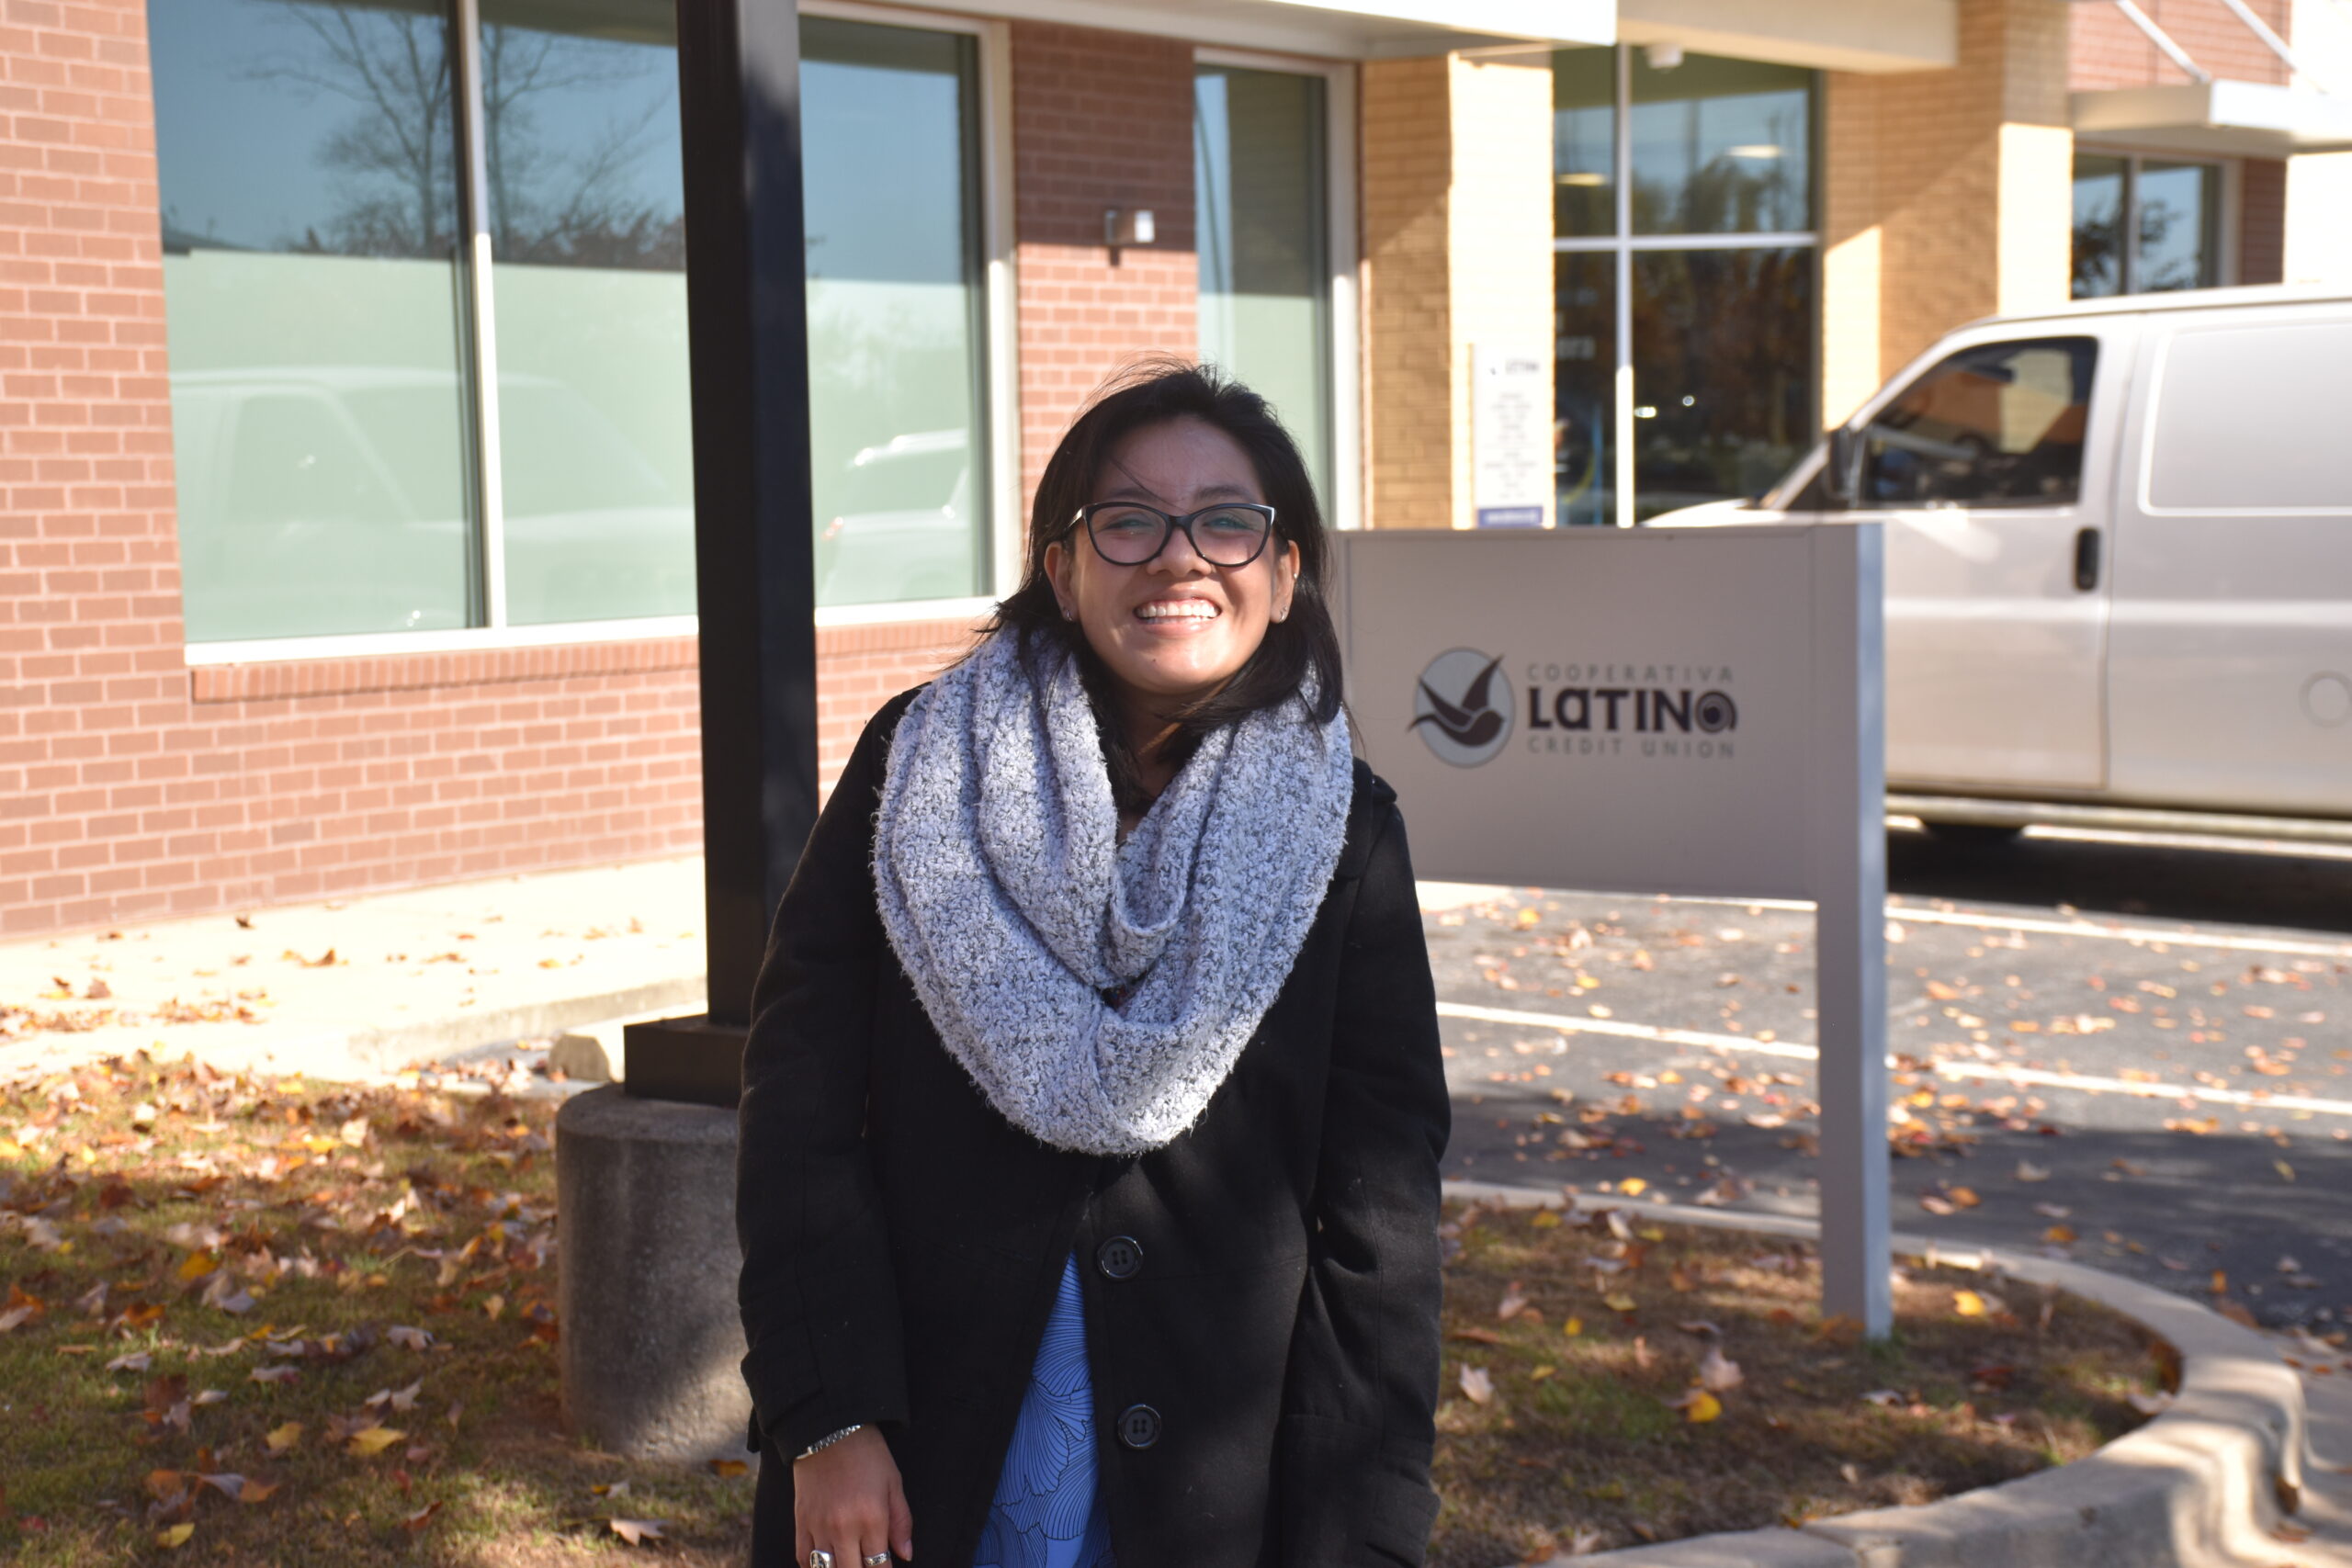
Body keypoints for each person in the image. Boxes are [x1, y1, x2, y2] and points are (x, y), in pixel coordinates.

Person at [735, 362, 1450, 1568]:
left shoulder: (1346, 833)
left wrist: (1359, 1534)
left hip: (1213, 1500)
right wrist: (829, 1418)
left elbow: (1379, 1219)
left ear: (1284, 573)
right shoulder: (921, 769)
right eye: (1129, 522)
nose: (1180, 559)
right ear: (1062, 572)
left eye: (1227, 522)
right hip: (916, 1460)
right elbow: (799, 1106)